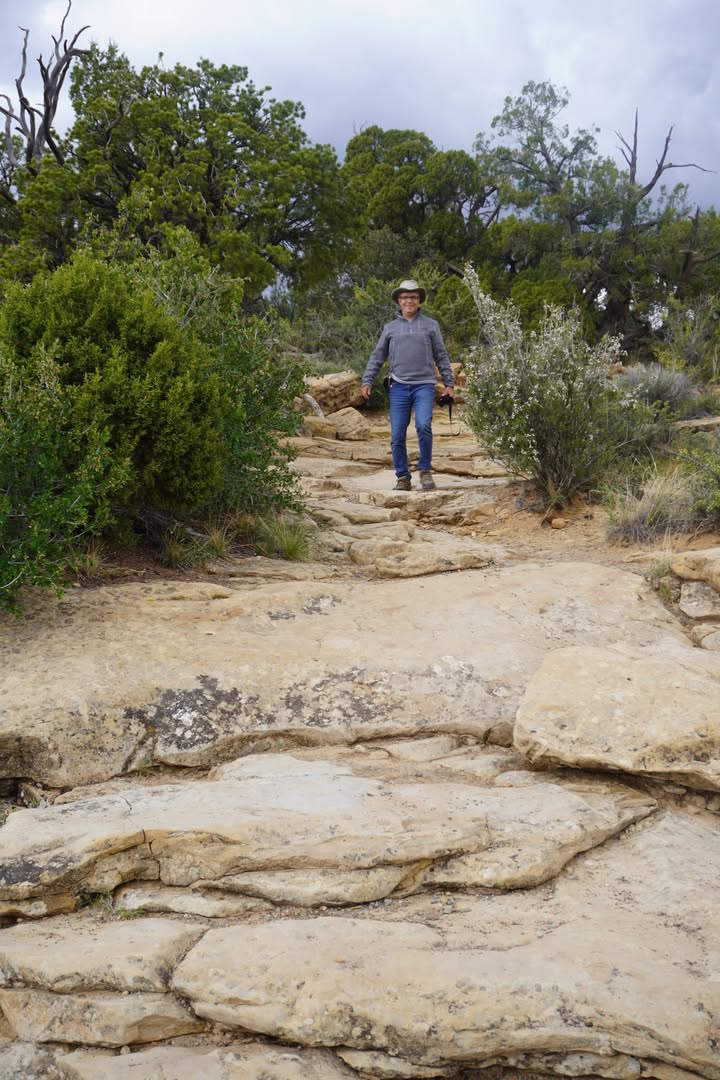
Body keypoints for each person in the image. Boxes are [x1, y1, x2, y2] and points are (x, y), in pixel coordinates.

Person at [361, 279, 455, 491]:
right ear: (399, 301)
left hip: (424, 385)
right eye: (404, 297)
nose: (409, 301)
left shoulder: (431, 325)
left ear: (419, 300)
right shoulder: (390, 328)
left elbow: (441, 355)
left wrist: (449, 384)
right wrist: (367, 380)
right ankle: (403, 477)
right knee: (397, 435)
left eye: (413, 296)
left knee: (423, 425)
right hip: (398, 387)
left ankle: (425, 471)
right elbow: (377, 356)